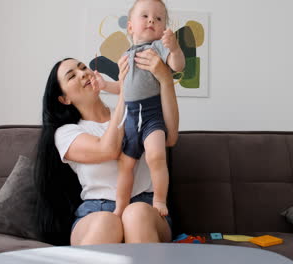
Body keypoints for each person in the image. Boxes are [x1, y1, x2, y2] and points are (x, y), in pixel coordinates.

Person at [34, 50, 179, 246]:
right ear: (64, 99)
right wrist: (126, 94)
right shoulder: (66, 133)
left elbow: (170, 137)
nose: (83, 73)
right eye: (72, 76)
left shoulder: (136, 113)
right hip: (97, 211)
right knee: (107, 221)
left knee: (135, 214)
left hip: (145, 208)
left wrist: (165, 79)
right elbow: (108, 149)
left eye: (83, 67)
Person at [112, 0, 185, 218]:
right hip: (131, 117)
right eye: (144, 16)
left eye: (159, 18)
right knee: (125, 165)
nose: (151, 20)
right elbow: (122, 87)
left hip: (152, 115)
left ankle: (160, 200)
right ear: (130, 26)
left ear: (163, 30)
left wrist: (174, 47)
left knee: (156, 156)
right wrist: (103, 85)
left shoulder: (158, 48)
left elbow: (177, 65)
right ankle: (119, 206)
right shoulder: (125, 56)